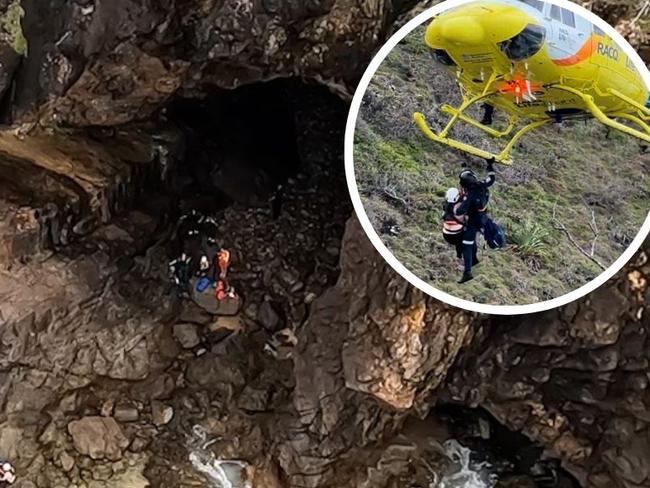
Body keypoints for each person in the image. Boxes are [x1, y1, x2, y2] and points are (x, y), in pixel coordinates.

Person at [455, 159, 496, 283]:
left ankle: (467, 272)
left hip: (473, 221)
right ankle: (477, 256)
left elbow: (460, 211)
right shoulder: (482, 185)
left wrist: (455, 205)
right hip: (483, 217)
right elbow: (491, 179)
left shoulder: (470, 195)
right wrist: (490, 165)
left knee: (466, 244)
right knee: (474, 240)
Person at [442, 187, 466, 261]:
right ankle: (461, 256)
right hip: (457, 234)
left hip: (446, 233)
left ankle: (458, 256)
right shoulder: (459, 206)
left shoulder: (446, 205)